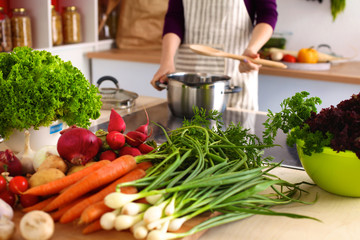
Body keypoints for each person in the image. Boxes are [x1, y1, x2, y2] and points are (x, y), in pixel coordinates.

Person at [150, 0, 278, 110]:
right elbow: (174, 18)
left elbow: (267, 13)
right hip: (186, 72)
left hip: (235, 74)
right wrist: (166, 61)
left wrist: (252, 49)